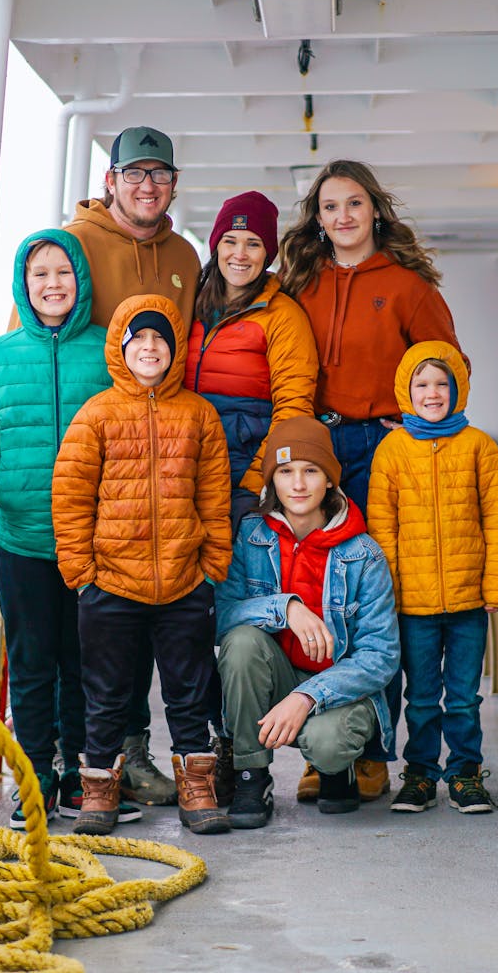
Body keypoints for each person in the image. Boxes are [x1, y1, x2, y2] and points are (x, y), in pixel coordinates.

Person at [8, 125, 200, 805]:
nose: (146, 185)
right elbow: (24, 351)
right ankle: (78, 763)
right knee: (80, 638)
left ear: (173, 184)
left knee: (139, 621)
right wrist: (0, 460)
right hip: (86, 472)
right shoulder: (76, 242)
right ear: (110, 181)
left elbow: (186, 353)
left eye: (159, 174)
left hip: (157, 467)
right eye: (134, 173)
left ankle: (129, 752)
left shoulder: (184, 255)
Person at [279, 158, 467, 803]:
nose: (343, 217)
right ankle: (323, 748)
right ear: (319, 219)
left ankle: (372, 753)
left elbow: (446, 363)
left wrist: (410, 420)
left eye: (354, 203)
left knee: (374, 592)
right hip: (319, 448)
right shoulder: (301, 282)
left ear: (375, 210)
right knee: (322, 587)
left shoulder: (408, 284)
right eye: (330, 207)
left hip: (385, 448)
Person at [52, 294, 233, 836]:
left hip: (183, 582)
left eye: (160, 338)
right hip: (111, 581)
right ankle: (100, 791)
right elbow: (71, 496)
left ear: (175, 349)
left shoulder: (198, 414)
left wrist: (211, 568)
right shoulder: (98, 414)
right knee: (106, 694)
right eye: (139, 339)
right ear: (121, 349)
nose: (150, 348)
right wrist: (82, 574)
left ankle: (196, 786)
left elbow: (214, 495)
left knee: (189, 691)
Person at [0, 228, 138, 829]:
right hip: (21, 537)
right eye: (40, 274)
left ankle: (83, 776)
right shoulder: (0, 355)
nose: (52, 284)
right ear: (24, 282)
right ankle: (36, 777)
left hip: (94, 538)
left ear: (82, 281)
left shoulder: (106, 350)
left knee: (88, 663)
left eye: (63, 273)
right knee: (31, 662)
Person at [183, 190, 319, 803]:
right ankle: (204, 742)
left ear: (268, 252)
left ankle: (247, 758)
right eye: (230, 240)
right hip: (185, 469)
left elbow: (292, 407)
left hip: (243, 473)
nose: (240, 253)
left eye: (254, 243)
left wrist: (251, 486)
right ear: (215, 243)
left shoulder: (281, 313)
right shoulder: (192, 301)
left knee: (236, 607)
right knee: (184, 614)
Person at [215, 416, 399, 829]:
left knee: (327, 744)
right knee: (242, 642)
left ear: (330, 480)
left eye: (311, 470)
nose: (298, 484)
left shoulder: (364, 554)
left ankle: (337, 768)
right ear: (271, 483)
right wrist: (286, 608)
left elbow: (381, 656)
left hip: (338, 690)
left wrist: (308, 696)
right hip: (275, 675)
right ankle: (251, 774)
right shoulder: (251, 537)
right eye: (285, 472)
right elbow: (223, 617)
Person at [367, 341, 498, 813]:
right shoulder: (392, 450)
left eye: (442, 384)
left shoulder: (479, 446)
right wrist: (386, 591)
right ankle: (421, 774)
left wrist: (496, 586)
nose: (433, 393)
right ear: (406, 391)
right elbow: (382, 525)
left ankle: (466, 773)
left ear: (458, 388)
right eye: (422, 384)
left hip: (471, 600)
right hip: (414, 605)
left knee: (465, 697)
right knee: (423, 696)